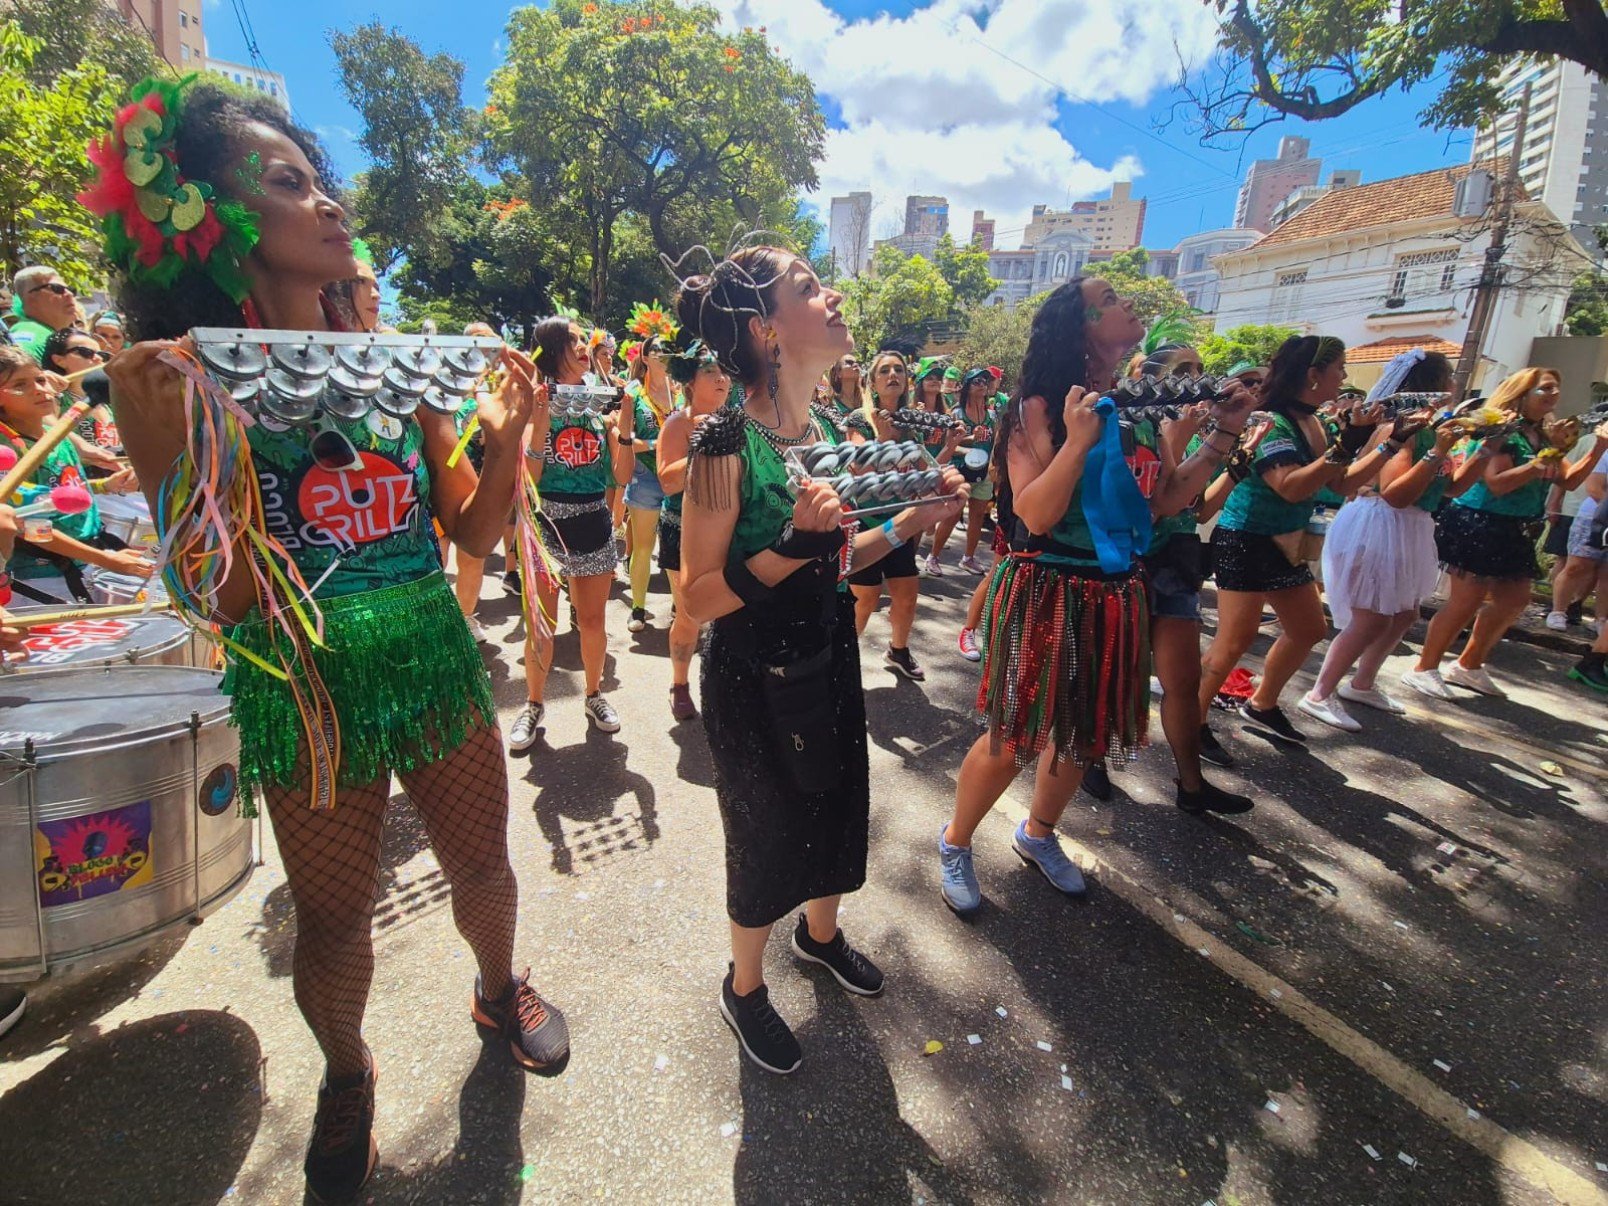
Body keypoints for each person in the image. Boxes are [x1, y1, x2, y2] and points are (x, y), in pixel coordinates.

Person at [86, 77, 568, 1202]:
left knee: (485, 866)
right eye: (290, 184)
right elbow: (224, 599)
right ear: (215, 220)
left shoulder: (399, 375)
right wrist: (168, 462)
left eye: (320, 179)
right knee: (337, 917)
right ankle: (348, 1072)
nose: (331, 204)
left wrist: (509, 438)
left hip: (431, 653)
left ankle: (497, 987)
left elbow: (473, 533)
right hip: (300, 679)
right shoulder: (185, 387)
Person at [674, 245, 964, 1074]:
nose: (831, 294)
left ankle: (821, 935)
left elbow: (840, 561)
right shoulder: (724, 441)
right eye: (807, 287)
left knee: (837, 800)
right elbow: (698, 598)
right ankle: (744, 987)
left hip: (829, 647)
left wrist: (913, 518)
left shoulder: (833, 434)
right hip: (750, 671)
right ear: (766, 329)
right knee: (764, 828)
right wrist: (795, 545)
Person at [938, 278, 1254, 915]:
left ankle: (1038, 832)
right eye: (1110, 300)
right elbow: (1035, 512)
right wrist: (1079, 442)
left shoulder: (1140, 413)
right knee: (1016, 734)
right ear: (1079, 325)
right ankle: (955, 841)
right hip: (1048, 585)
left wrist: (1223, 435)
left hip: (1117, 593)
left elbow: (1168, 501)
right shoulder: (1037, 408)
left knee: (1086, 732)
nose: (1127, 304)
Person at [1081, 339, 1255, 814]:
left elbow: (1190, 505)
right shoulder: (1129, 419)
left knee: (1182, 677)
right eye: (1180, 371)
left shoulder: (1187, 425)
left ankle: (1191, 785)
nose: (1193, 381)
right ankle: (1091, 756)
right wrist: (1180, 429)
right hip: (1123, 558)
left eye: (1198, 369)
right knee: (1114, 668)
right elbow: (1152, 501)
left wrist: (1228, 437)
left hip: (1176, 555)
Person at [1195, 336, 1391, 748]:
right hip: (1246, 538)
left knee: (1308, 628)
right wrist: (1346, 446)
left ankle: (1262, 703)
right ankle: (1190, 722)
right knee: (1234, 640)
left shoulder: (1315, 422)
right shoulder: (1270, 422)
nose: (1344, 376)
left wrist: (1390, 446)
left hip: (1285, 542)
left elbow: (1340, 483)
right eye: (1339, 368)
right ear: (1313, 374)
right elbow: (1289, 486)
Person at [1404, 369, 1608, 699]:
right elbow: (1497, 484)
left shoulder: (1542, 435)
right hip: (1479, 521)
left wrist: (1599, 446)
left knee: (1514, 600)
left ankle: (1468, 665)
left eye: (1556, 388)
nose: (1554, 394)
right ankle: (1424, 668)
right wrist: (1542, 460)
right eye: (1545, 389)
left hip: (1516, 528)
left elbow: (1569, 481)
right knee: (1465, 602)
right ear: (1522, 393)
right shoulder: (1501, 429)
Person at [1300, 351, 1474, 729]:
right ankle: (1319, 694)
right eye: (1449, 377)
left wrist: (1485, 449)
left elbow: (1450, 489)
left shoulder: (1434, 427)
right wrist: (1437, 452)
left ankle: (1362, 684)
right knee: (1371, 617)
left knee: (1404, 613)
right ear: (1434, 384)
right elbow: (1394, 493)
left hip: (1411, 526)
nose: (1454, 385)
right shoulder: (1403, 426)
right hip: (1381, 524)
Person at [507, 317, 634, 752]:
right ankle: (533, 703)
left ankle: (594, 694)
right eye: (574, 341)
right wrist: (540, 422)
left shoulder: (601, 403)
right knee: (542, 624)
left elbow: (621, 476)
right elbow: (529, 478)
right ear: (552, 349)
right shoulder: (536, 400)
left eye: (585, 341)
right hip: (546, 522)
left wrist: (625, 429)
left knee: (593, 621)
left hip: (593, 518)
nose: (585, 347)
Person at [0, 348, 147, 604]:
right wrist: (105, 559)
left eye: (41, 380)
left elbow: (54, 494)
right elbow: (26, 525)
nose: (39, 390)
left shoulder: (55, 433)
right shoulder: (7, 449)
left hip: (84, 562)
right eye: (20, 385)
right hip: (39, 578)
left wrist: (104, 485)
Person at [850, 349, 945, 680]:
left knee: (906, 596)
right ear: (873, 382)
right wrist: (882, 438)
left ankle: (898, 650)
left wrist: (945, 458)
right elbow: (857, 470)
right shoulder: (859, 420)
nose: (893, 375)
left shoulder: (911, 424)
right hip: (865, 523)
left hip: (900, 524)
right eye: (885, 370)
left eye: (899, 370)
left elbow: (924, 469)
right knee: (866, 599)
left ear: (906, 380)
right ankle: (845, 661)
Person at [654, 338, 730, 720]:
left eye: (724, 372)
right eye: (710, 372)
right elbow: (667, 481)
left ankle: (725, 686)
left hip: (728, 528)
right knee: (690, 615)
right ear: (689, 382)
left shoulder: (737, 420)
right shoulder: (677, 423)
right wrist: (703, 445)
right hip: (683, 531)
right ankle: (679, 684)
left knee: (730, 612)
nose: (721, 380)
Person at [622, 334, 675, 633]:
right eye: (657, 349)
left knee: (676, 545)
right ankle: (638, 608)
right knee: (644, 546)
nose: (663, 354)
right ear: (644, 357)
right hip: (645, 477)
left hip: (678, 478)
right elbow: (624, 438)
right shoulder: (633, 393)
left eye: (668, 349)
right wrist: (658, 442)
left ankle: (679, 605)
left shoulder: (682, 391)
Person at [927, 367, 999, 576]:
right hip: (960, 471)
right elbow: (948, 445)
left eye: (984, 381)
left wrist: (995, 465)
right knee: (952, 516)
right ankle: (933, 557)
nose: (982, 385)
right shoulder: (956, 414)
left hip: (983, 473)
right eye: (977, 381)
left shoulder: (991, 416)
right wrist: (970, 441)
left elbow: (995, 442)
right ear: (967, 386)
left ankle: (968, 558)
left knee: (977, 516)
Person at [1545, 448, 1607, 635]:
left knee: (1606, 573)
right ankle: (1558, 611)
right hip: (1594, 518)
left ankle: (1601, 619)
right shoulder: (1605, 455)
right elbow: (1594, 488)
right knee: (1576, 566)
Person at [7, 267, 79, 363]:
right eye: (57, 288)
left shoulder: (48, 334)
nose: (69, 294)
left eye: (71, 289)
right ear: (30, 299)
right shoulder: (30, 335)